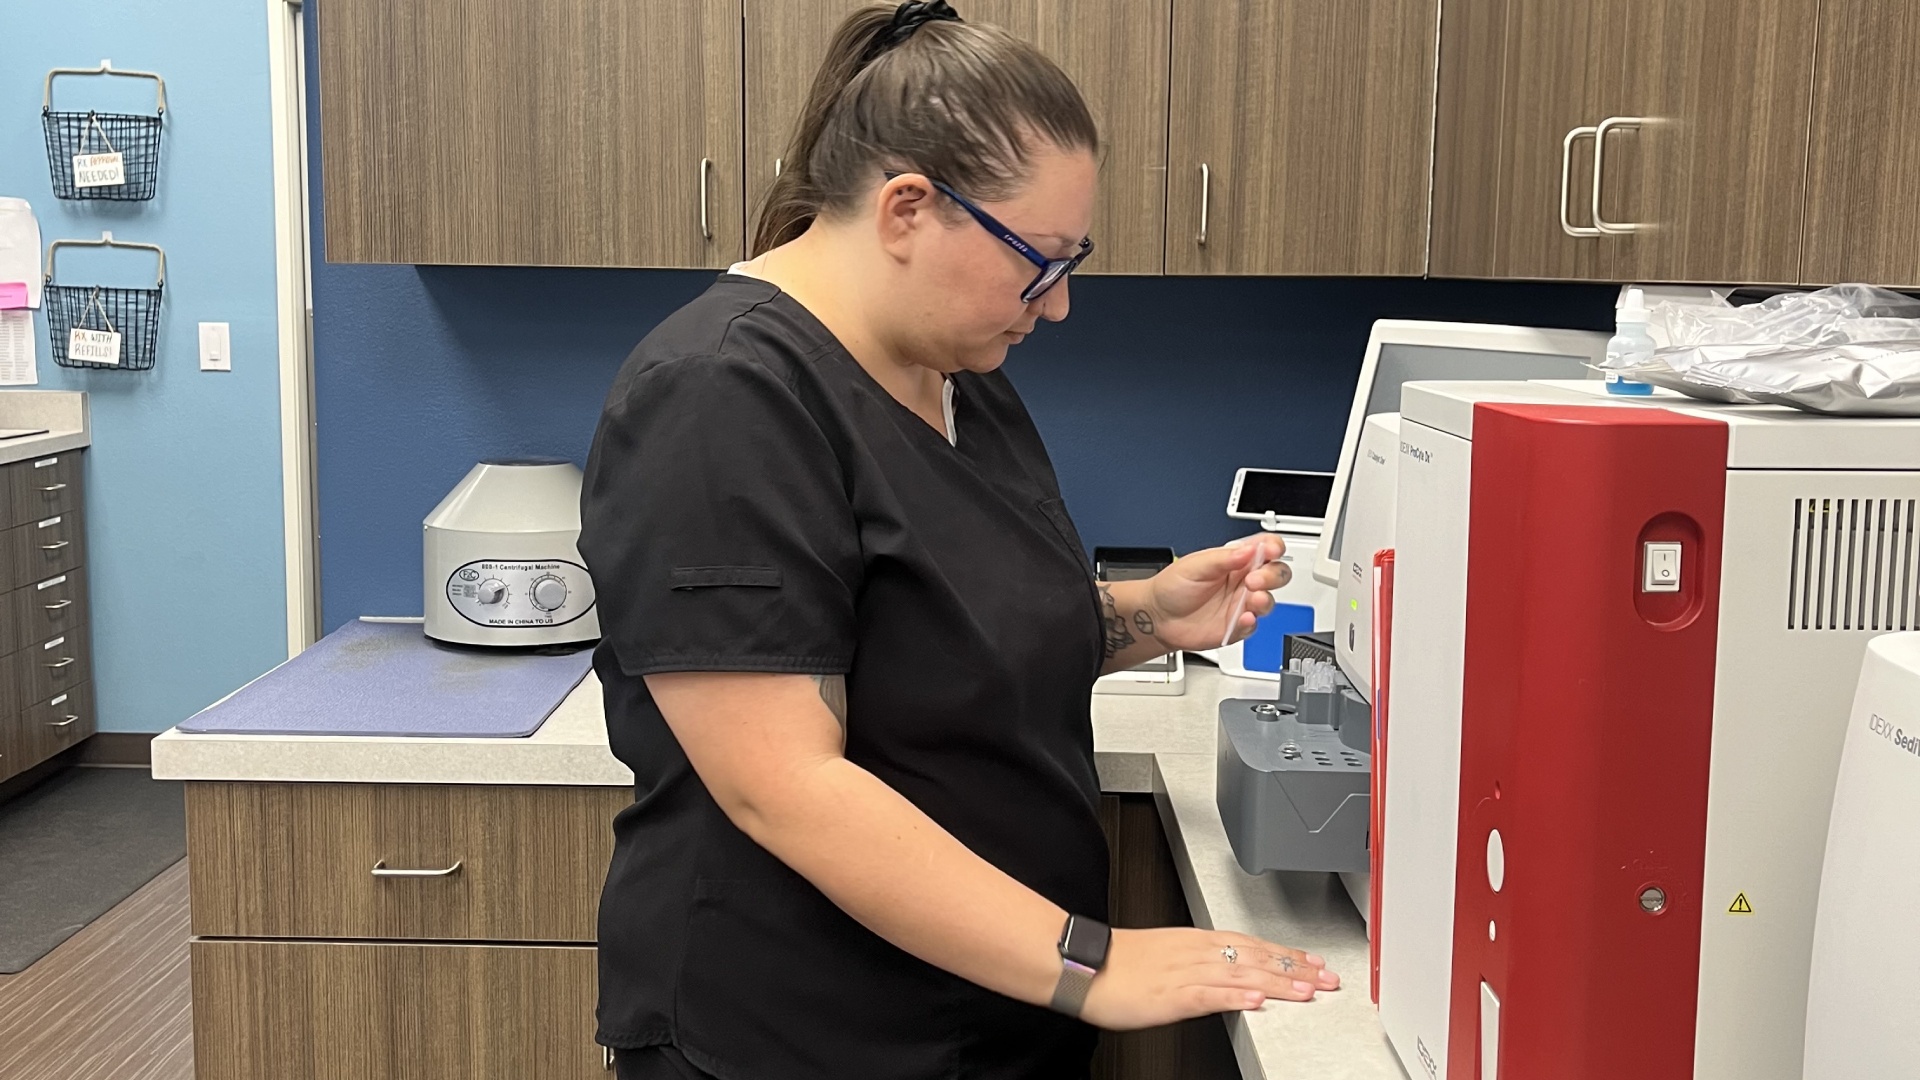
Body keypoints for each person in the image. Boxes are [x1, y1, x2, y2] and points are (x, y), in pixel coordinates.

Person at [578, 3, 1338, 1077]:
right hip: (802, 1037)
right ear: (907, 210)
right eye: (1041, 261)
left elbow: (941, 642)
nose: (1060, 303)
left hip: (986, 1012)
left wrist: (1146, 615)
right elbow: (781, 783)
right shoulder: (722, 393)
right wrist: (1096, 964)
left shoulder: (959, 377)